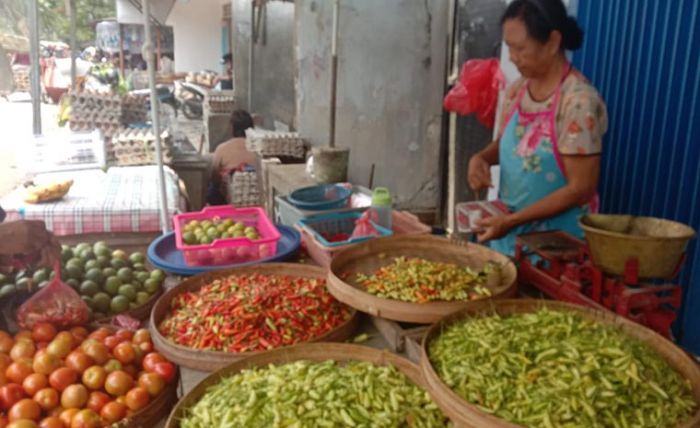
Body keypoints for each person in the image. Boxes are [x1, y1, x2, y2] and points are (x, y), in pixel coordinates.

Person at [467, 0, 608, 256]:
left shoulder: (578, 102)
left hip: (557, 251)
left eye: (520, 48)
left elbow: (580, 189)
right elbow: (514, 146)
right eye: (509, 47)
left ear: (553, 43)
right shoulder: (518, 90)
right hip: (508, 241)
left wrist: (511, 221)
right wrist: (482, 157)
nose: (512, 57)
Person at [207, 109, 257, 205]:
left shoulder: (221, 149)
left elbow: (214, 177)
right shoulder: (258, 149)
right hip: (254, 195)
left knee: (212, 188)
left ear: (232, 128)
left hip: (229, 199)